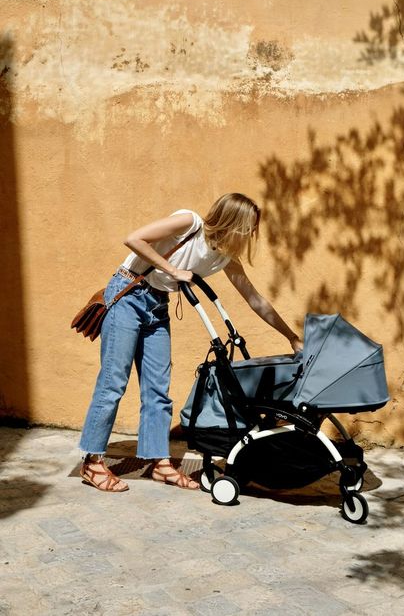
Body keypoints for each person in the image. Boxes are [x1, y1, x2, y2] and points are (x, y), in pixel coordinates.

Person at [78, 193, 303, 492]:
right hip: (127, 294)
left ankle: (159, 463)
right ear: (232, 222)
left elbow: (255, 300)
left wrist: (291, 337)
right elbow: (134, 239)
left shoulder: (224, 257)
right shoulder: (189, 222)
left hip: (157, 304)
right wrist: (173, 271)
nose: (251, 234)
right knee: (113, 382)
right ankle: (92, 462)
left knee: (159, 388)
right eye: (248, 226)